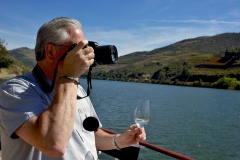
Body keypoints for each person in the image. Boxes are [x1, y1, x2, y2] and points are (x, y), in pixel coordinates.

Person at [0, 17, 146, 160]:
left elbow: (90, 135)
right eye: (78, 47)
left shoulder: (75, 88)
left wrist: (120, 140)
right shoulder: (15, 91)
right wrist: (70, 76)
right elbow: (53, 144)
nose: (86, 53)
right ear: (50, 51)